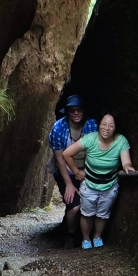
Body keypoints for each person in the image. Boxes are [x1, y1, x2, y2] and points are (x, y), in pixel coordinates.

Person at [63, 112, 134, 249]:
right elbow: (67, 153)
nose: (106, 128)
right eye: (103, 124)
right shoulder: (90, 139)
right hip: (89, 185)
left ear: (115, 128)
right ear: (99, 125)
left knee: (102, 215)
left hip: (109, 186)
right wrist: (77, 172)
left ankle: (97, 237)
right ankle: (85, 239)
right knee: (87, 214)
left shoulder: (121, 141)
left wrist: (127, 166)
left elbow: (126, 162)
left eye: (110, 126)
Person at [48, 96, 97, 246]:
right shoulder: (58, 128)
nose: (76, 113)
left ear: (83, 110)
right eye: (72, 110)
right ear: (67, 112)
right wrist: (69, 184)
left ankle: (87, 236)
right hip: (65, 173)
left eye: (79, 109)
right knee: (74, 206)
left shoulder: (91, 125)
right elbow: (59, 159)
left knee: (90, 203)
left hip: (86, 171)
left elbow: (94, 152)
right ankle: (70, 235)